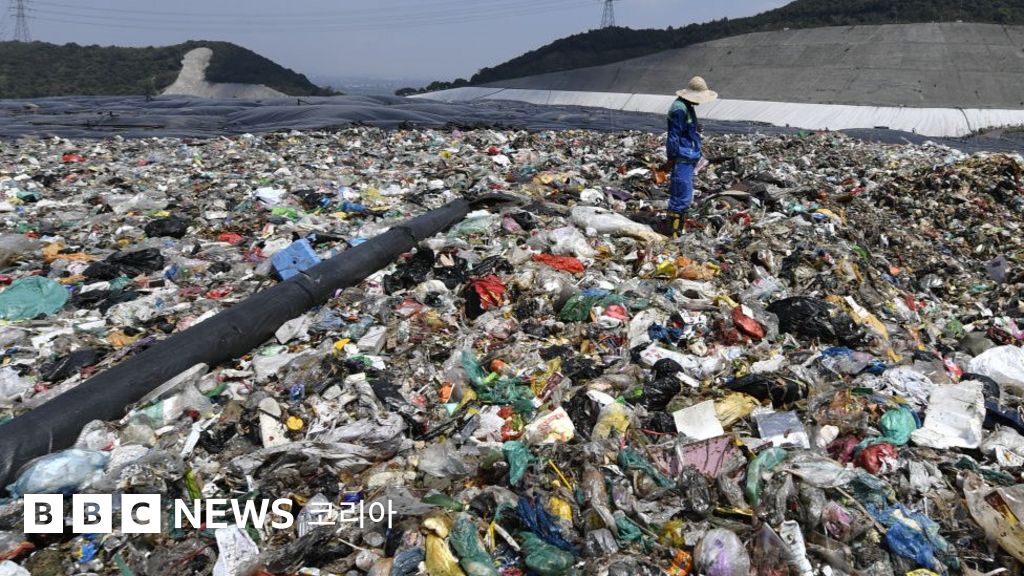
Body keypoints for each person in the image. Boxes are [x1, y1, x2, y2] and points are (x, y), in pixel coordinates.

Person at [660, 76, 718, 238]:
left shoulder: (686, 106)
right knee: (681, 197)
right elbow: (673, 136)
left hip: (688, 157)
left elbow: (685, 130)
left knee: (684, 195)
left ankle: (676, 229)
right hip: (682, 158)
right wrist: (671, 158)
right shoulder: (679, 109)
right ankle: (672, 233)